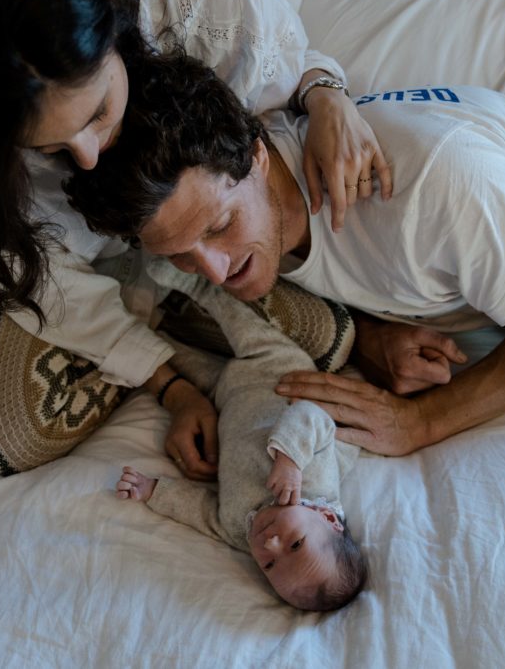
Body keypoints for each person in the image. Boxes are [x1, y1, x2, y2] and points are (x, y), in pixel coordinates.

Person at [64, 50, 505, 564]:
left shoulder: (431, 184)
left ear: (257, 156)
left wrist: (423, 421)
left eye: (218, 227)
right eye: (181, 255)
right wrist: (377, 334)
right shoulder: (260, 223)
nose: (214, 270)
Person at [0, 0, 412, 481]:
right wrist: (169, 385)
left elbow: (273, 101)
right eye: (49, 147)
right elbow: (46, 276)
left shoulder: (203, 8)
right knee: (13, 434)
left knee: (326, 341)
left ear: (114, 27)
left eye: (98, 111)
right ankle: (172, 323)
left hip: (175, 252)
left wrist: (325, 94)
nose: (88, 156)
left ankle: (236, 303)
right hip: (92, 270)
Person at [115, 258, 366, 611]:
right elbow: (312, 416)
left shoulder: (240, 532)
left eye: (270, 565)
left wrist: (152, 490)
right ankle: (198, 286)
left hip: (225, 400)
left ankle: (140, 325)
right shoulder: (316, 484)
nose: (270, 543)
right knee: (244, 326)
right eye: (295, 544)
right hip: (274, 373)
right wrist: (290, 459)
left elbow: (203, 512)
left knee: (171, 357)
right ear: (327, 518)